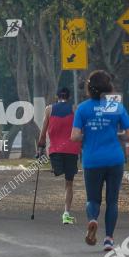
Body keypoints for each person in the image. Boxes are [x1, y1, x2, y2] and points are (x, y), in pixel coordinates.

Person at [71, 70, 129, 251]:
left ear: (89, 88)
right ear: (109, 87)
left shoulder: (83, 108)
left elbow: (74, 136)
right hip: (114, 159)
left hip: (92, 160)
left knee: (93, 199)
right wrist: (117, 135)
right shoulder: (113, 105)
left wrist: (89, 133)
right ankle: (108, 239)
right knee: (112, 201)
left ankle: (92, 219)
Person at [37, 87, 81, 225]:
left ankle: (56, 168)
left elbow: (43, 131)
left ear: (57, 97)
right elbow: (80, 131)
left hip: (55, 151)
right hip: (71, 151)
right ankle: (66, 213)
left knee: (58, 171)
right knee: (69, 183)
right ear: (69, 97)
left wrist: (40, 148)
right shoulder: (75, 109)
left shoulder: (49, 109)